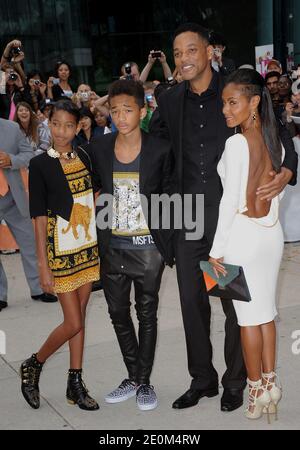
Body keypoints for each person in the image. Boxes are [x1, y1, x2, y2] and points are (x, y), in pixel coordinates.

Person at [150, 22, 298, 412]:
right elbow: (155, 153)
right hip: (188, 219)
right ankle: (202, 380)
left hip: (229, 223)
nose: (183, 59)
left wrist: (287, 171)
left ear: (208, 52)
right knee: (190, 300)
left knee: (235, 304)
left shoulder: (234, 93)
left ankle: (236, 381)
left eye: (191, 50)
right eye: (177, 52)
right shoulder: (168, 100)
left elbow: (279, 135)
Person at [88, 79, 173, 411]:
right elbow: (89, 184)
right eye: (114, 110)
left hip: (149, 248)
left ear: (142, 110)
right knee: (117, 312)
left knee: (147, 313)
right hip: (113, 247)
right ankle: (134, 375)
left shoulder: (160, 148)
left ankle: (144, 382)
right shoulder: (98, 147)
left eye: (127, 110)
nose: (121, 117)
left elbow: (170, 192)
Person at [209, 68, 285, 420]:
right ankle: (271, 384)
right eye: (224, 103)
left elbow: (229, 201)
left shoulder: (236, 143)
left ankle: (254, 390)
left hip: (241, 237)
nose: (225, 109)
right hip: (271, 235)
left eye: (232, 102)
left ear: (254, 102)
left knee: (246, 321)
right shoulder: (276, 140)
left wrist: (215, 250)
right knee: (266, 315)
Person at [20, 100, 100, 410]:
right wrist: (43, 265)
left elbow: (92, 197)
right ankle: (34, 363)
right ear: (47, 124)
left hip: (86, 247)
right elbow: (38, 218)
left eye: (69, 125)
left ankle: (75, 383)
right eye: (56, 124)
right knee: (73, 322)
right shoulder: (40, 164)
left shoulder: (84, 155)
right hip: (60, 253)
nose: (62, 131)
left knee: (79, 321)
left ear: (79, 126)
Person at [0, 118, 57, 312]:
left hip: (13, 197)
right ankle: (0, 295)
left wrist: (11, 160)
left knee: (30, 244)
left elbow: (28, 154)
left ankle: (39, 288)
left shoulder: (11, 128)